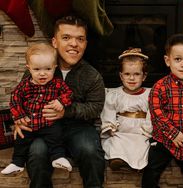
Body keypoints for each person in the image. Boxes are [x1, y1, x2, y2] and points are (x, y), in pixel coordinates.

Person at [14, 15, 106, 188]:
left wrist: (66, 111)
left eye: (80, 39)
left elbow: (95, 108)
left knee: (90, 150)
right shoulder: (38, 69)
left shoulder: (92, 76)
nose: (74, 44)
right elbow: (21, 98)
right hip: (42, 127)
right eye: (66, 38)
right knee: (37, 152)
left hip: (78, 127)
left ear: (85, 43)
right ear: (54, 42)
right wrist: (20, 119)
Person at [142, 33, 183, 188]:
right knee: (151, 172)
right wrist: (174, 134)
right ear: (168, 61)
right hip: (164, 140)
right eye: (178, 59)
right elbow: (157, 113)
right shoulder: (160, 87)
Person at [1, 43, 73, 175]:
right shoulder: (24, 85)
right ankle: (17, 163)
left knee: (56, 136)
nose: (42, 74)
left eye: (48, 69)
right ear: (29, 69)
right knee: (21, 139)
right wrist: (19, 117)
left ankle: (58, 157)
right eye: (37, 69)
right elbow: (15, 99)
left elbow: (68, 94)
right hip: (30, 123)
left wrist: (61, 101)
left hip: (48, 122)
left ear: (54, 68)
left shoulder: (57, 84)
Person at [100, 48, 152, 171]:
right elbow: (108, 111)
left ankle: (135, 165)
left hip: (140, 132)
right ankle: (118, 160)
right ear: (121, 76)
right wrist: (111, 127)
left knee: (140, 145)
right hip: (120, 131)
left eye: (136, 74)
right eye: (127, 74)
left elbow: (152, 113)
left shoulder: (150, 94)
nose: (131, 78)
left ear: (144, 76)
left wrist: (147, 129)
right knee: (117, 143)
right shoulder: (114, 94)